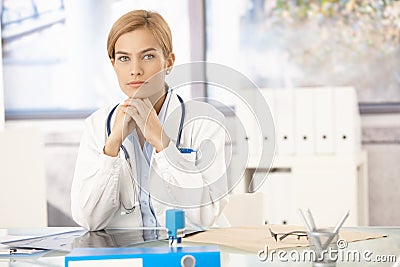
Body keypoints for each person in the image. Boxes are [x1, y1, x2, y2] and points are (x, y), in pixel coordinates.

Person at [71, 10, 229, 231]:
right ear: (113, 64)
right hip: (127, 257)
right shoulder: (97, 126)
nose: (135, 70)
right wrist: (112, 145)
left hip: (192, 254)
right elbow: (89, 220)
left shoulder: (205, 122)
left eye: (148, 56)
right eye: (124, 58)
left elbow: (206, 215)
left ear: (169, 62)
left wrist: (163, 144)